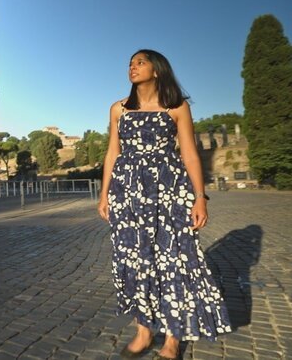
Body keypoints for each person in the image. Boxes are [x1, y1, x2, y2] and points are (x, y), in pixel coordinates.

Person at [98, 49, 231, 359]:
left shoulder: (177, 107)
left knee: (174, 259)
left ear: (157, 70)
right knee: (134, 260)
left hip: (170, 191)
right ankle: (143, 332)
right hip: (127, 192)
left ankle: (173, 338)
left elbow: (190, 154)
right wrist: (104, 195)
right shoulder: (118, 109)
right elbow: (111, 154)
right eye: (130, 63)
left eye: (140, 62)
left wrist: (200, 197)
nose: (133, 67)